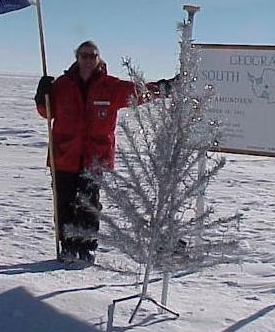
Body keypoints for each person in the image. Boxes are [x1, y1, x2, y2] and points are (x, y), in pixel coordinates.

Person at [34, 39, 173, 264]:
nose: (88, 60)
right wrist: (42, 96)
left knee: (88, 205)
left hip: (94, 158)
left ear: (99, 58)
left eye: (92, 55)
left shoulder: (111, 86)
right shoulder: (61, 85)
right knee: (64, 205)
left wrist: (167, 87)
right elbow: (46, 112)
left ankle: (86, 249)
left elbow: (140, 92)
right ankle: (67, 247)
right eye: (83, 55)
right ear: (76, 58)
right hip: (64, 156)